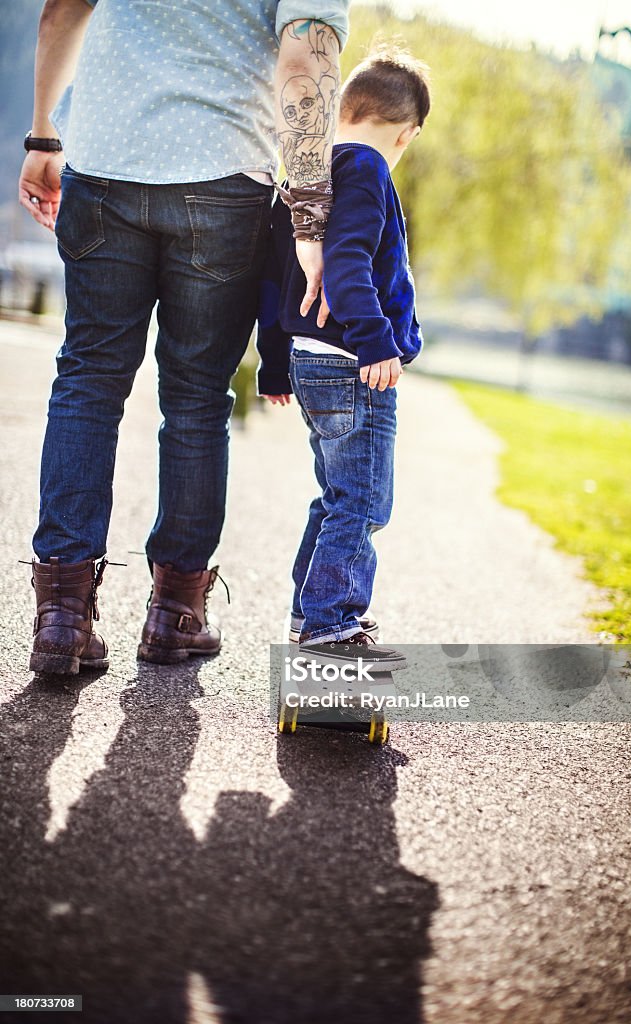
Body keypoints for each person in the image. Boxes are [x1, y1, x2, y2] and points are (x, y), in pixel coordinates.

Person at [19, 0, 349, 674]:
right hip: (223, 175)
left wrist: (44, 135)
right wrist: (310, 216)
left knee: (87, 380)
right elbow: (305, 59)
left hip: (105, 157)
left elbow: (62, 11)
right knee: (197, 399)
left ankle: (61, 615)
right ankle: (176, 614)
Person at [257, 47, 430, 668]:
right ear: (406, 133)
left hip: (309, 360)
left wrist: (274, 361)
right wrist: (378, 339)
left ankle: (310, 611)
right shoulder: (366, 170)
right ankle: (333, 623)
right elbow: (349, 263)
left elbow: (276, 281)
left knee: (336, 494)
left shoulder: (304, 173)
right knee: (362, 501)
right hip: (354, 364)